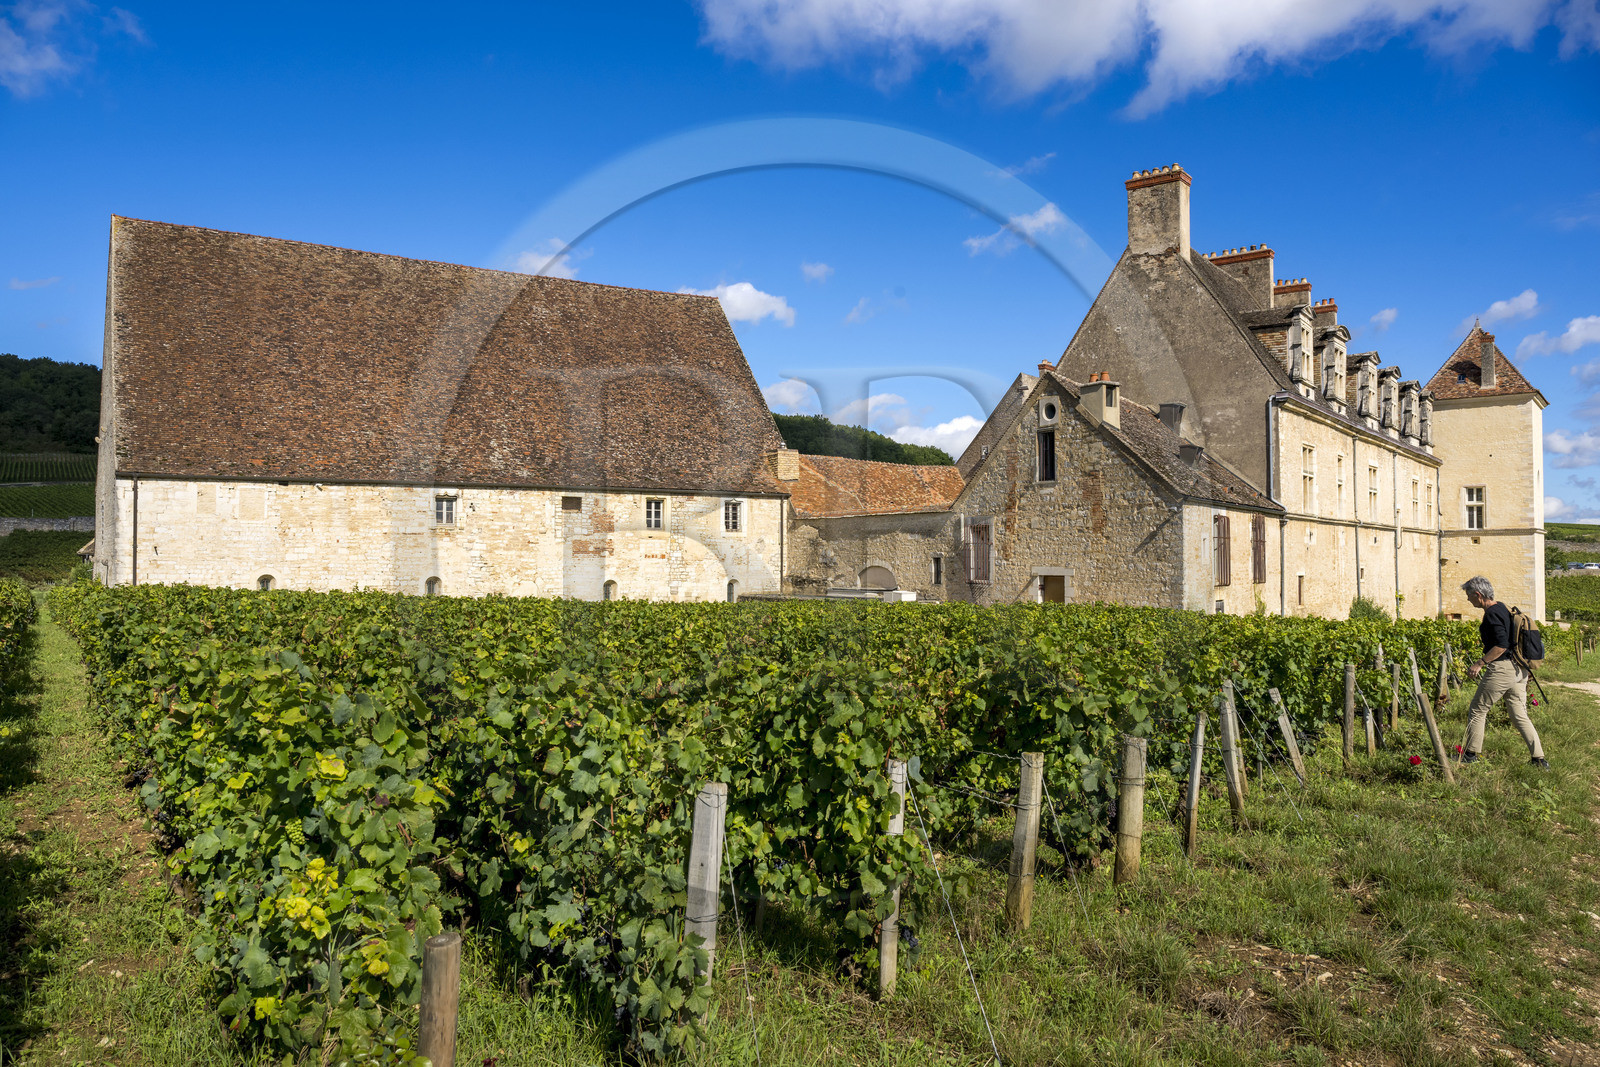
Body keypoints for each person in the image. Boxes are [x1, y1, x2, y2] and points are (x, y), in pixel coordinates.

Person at [1461, 576, 1548, 769]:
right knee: (1519, 715)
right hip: (1519, 669)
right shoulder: (1503, 607)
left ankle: (1470, 754)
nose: (1468, 600)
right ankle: (1539, 759)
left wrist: (1480, 663)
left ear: (1478, 594)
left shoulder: (1492, 613)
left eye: (1469, 596)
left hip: (1502, 668)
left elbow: (1501, 644)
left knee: (1477, 709)